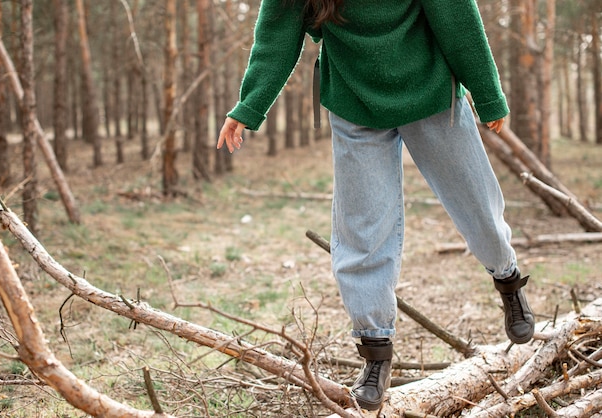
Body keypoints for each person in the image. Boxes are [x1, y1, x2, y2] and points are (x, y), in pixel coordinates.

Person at [216, 0, 535, 412]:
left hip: (431, 90)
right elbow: (276, 36)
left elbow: (458, 19)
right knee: (362, 229)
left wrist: (487, 93)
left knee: (479, 208)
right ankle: (375, 351)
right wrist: (249, 106)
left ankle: (509, 282)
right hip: (354, 103)